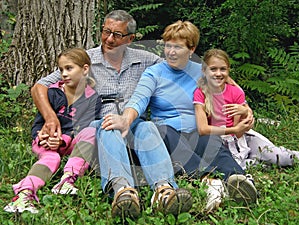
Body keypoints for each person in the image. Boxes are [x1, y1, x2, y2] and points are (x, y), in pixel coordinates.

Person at [30, 10, 193, 218]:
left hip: (134, 124)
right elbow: (39, 86)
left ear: (130, 39)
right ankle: (122, 191)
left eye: (117, 35)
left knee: (147, 126)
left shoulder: (146, 60)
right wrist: (51, 117)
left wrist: (225, 82)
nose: (109, 39)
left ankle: (164, 190)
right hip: (98, 127)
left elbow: (178, 66)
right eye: (106, 31)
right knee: (108, 125)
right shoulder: (86, 59)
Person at [104, 21, 258, 213]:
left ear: (191, 49)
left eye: (178, 47)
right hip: (167, 133)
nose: (171, 52)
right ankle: (207, 179)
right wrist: (125, 119)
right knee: (167, 133)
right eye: (168, 46)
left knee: (211, 140)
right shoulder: (154, 73)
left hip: (196, 130)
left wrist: (246, 108)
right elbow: (138, 100)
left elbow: (230, 87)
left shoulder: (202, 70)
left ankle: (238, 180)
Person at [4, 48, 101, 214]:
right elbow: (39, 123)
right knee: (52, 158)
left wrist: (63, 140)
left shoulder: (93, 98)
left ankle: (68, 179)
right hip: (47, 141)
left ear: (85, 69)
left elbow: (82, 126)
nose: (64, 74)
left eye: (69, 68)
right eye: (61, 69)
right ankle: (24, 194)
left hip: (70, 142)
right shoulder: (52, 93)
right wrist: (42, 137)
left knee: (91, 131)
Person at [194, 48, 299, 169]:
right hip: (219, 140)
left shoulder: (235, 91)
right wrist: (234, 129)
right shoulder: (200, 93)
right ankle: (255, 162)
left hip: (242, 137)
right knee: (233, 166)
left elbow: (242, 128)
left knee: (280, 157)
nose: (218, 73)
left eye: (222, 69)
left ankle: (287, 156)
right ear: (204, 70)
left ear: (228, 70)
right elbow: (203, 129)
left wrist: (245, 114)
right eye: (213, 69)